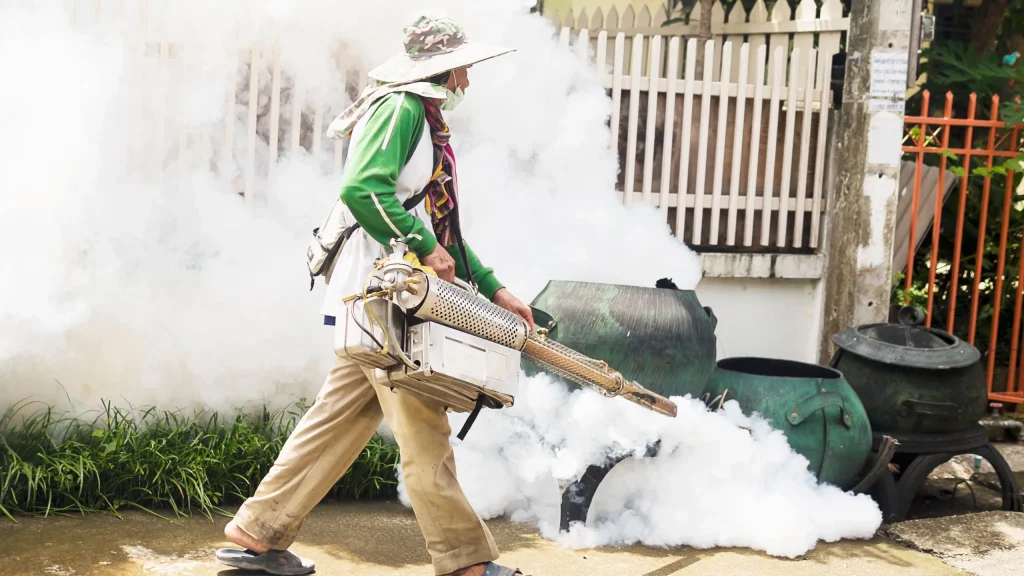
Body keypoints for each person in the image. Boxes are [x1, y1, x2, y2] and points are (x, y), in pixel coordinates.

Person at [215, 10, 533, 576]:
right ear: (444, 69)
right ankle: (466, 564)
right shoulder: (403, 107)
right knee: (423, 424)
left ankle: (258, 531)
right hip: (385, 296)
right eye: (462, 68)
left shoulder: (417, 112)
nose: (467, 81)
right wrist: (418, 244)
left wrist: (492, 286)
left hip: (383, 294)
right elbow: (364, 189)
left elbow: (440, 225)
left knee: (339, 417)